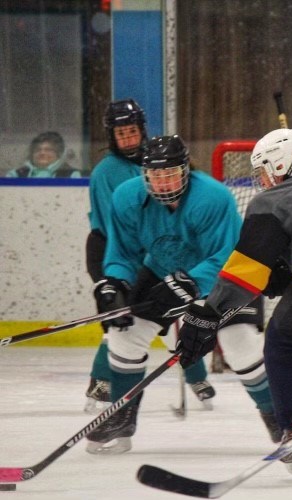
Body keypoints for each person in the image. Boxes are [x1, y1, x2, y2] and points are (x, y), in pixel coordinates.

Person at [175, 129, 292, 481]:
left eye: (264, 170)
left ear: (281, 163)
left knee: (282, 343)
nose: (262, 180)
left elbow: (245, 272)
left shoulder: (271, 201)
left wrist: (209, 315)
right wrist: (289, 267)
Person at [86, 135, 277, 454]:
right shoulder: (126, 197)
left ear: (186, 169)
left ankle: (280, 418)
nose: (162, 183)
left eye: (170, 174)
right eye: (155, 176)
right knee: (125, 332)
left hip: (225, 278)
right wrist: (114, 283)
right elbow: (122, 253)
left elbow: (226, 255)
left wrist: (188, 284)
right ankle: (122, 416)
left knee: (240, 346)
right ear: (144, 174)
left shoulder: (213, 197)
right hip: (161, 269)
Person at [83, 99, 216, 415]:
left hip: (155, 248)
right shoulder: (106, 172)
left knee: (172, 309)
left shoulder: (160, 161)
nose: (127, 139)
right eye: (120, 133)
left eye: (132, 131)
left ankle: (196, 375)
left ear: (142, 130)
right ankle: (102, 380)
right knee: (125, 318)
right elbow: (117, 228)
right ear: (111, 136)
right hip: (112, 248)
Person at [6, 131, 81, 178]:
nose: (42, 153)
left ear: (58, 154)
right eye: (37, 150)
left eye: (48, 150)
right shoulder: (15, 175)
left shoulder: (72, 175)